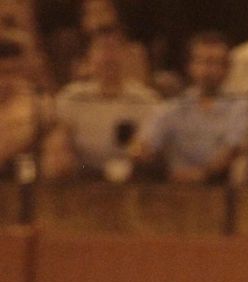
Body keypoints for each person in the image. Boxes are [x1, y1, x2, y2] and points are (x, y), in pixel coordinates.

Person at [130, 31, 248, 183]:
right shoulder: (173, 106)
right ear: (191, 66)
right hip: (173, 182)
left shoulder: (240, 105)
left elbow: (233, 150)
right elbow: (145, 142)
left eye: (215, 63)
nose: (208, 70)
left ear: (227, 68)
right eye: (203, 61)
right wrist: (140, 151)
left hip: (219, 182)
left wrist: (202, 174)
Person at [48, 26, 157, 178]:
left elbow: (149, 147)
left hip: (131, 181)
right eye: (101, 49)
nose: (108, 57)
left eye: (114, 49)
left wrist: (142, 152)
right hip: (82, 181)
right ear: (89, 56)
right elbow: (59, 141)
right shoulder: (71, 98)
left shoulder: (146, 101)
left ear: (126, 55)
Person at [0, 33, 51, 179]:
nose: (6, 80)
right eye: (1, 72)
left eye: (13, 72)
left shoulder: (40, 103)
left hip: (28, 186)